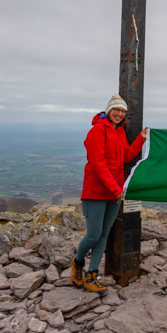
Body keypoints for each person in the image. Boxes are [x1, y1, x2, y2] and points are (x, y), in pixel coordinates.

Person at [70, 94, 147, 296]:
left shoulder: (119, 132)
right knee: (93, 235)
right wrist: (115, 189)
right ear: (109, 110)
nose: (119, 114)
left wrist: (141, 139)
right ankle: (77, 263)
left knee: (104, 235)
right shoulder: (97, 131)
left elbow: (126, 156)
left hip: (114, 192)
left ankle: (92, 276)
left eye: (122, 111)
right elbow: (98, 164)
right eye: (116, 110)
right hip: (96, 192)